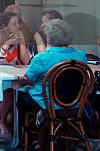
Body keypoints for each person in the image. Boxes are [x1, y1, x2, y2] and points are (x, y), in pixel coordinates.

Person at [18, 19, 87, 150]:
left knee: (19, 98)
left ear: (48, 37)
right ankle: (52, 131)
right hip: (74, 103)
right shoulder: (81, 56)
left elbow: (28, 79)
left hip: (47, 103)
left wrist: (17, 80)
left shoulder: (42, 58)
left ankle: (29, 136)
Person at [0, 11, 31, 136]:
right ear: (5, 26)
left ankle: (20, 124)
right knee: (9, 90)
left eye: (18, 23)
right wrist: (6, 44)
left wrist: (21, 43)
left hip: (12, 73)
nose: (18, 27)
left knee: (27, 86)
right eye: (14, 24)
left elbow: (26, 61)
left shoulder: (18, 35)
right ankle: (3, 123)